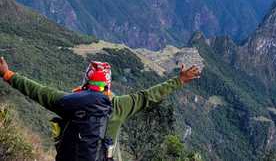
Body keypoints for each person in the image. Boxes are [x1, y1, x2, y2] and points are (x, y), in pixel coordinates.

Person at [0, 56, 201, 161]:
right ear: (108, 85)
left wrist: (8, 74)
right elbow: (148, 96)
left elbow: (37, 90)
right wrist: (179, 80)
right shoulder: (119, 106)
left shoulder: (67, 102)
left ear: (86, 80)